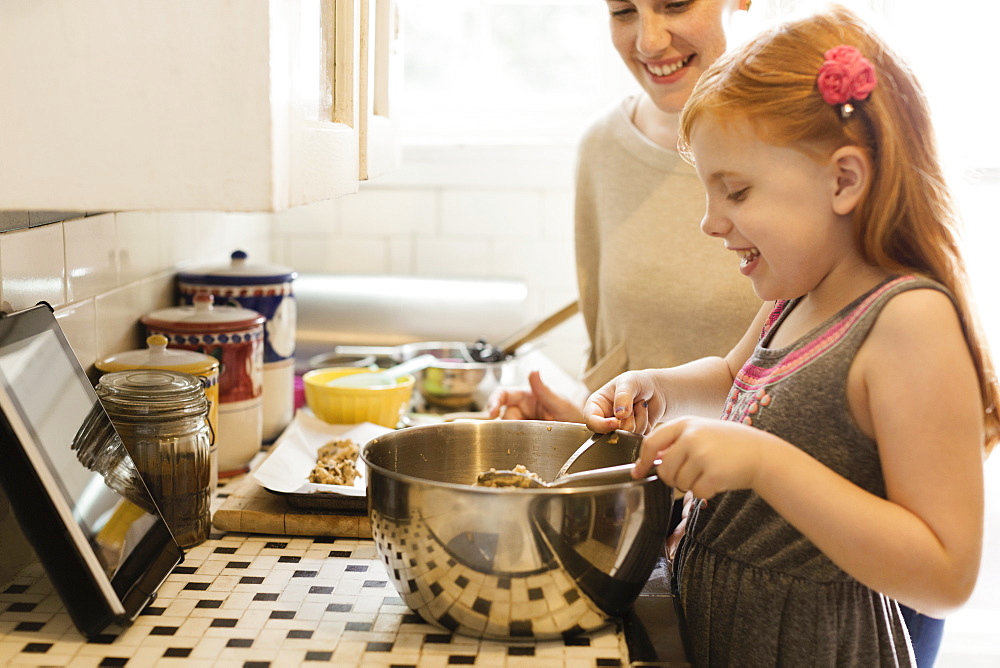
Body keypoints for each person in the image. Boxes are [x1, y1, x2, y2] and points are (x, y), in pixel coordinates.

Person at [583, 5, 999, 665]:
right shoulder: (798, 292)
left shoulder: (908, 322)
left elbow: (947, 576)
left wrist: (762, 465)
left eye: (737, 192)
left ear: (843, 180)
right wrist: (656, 389)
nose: (710, 223)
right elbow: (730, 381)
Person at [486, 0, 762, 423]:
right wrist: (578, 421)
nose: (649, 41)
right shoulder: (603, 147)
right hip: (637, 486)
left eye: (676, 4)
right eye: (623, 12)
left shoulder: (805, 150)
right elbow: (611, 361)